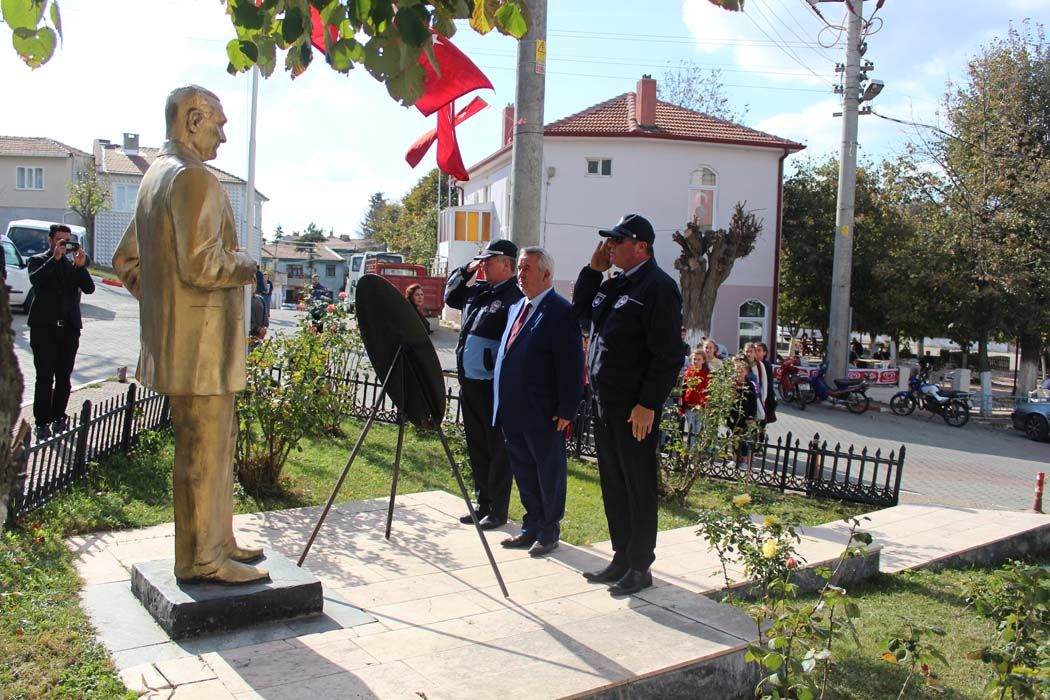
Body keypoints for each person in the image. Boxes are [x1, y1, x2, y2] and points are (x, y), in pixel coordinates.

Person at [113, 85, 268, 584]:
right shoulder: (194, 178)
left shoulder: (154, 178)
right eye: (218, 124)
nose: (223, 135)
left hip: (178, 348)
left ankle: (216, 541)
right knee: (206, 449)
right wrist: (246, 265)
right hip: (203, 352)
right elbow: (203, 263)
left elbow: (126, 262)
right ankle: (204, 558)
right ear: (193, 120)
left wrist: (166, 307)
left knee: (207, 447)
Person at [571, 213, 684, 596]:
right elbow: (580, 312)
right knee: (613, 483)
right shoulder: (616, 283)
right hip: (604, 403)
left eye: (618, 241)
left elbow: (668, 354)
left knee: (637, 484)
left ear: (642, 246)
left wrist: (648, 403)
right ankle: (621, 556)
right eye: (609, 241)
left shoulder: (658, 287)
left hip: (635, 408)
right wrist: (592, 270)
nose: (611, 247)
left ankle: (640, 565)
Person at [493, 247, 582, 557]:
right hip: (514, 410)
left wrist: (567, 408)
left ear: (546, 274)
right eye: (519, 267)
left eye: (527, 268)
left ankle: (548, 531)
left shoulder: (560, 311)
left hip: (544, 413)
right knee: (524, 471)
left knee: (548, 473)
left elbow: (572, 364)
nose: (521, 274)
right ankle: (530, 526)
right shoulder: (518, 306)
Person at [444, 239, 523, 529]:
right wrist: (466, 269)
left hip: (494, 387)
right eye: (483, 260)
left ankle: (498, 510)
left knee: (497, 450)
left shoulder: (515, 297)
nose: (484, 264)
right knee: (476, 445)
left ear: (506, 264)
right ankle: (483, 503)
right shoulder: (478, 291)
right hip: (470, 383)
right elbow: (450, 297)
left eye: (490, 260)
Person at [27, 224, 95, 441]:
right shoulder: (38, 260)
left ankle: (59, 417)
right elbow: (36, 280)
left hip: (68, 330)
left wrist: (81, 266)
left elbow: (89, 288)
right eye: (60, 240)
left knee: (64, 378)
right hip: (44, 329)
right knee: (45, 377)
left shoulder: (71, 267)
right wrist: (54, 258)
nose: (64, 245)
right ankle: (42, 422)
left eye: (67, 240)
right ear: (50, 240)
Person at [727, 356, 759, 467]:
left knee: (744, 439)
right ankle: (735, 459)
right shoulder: (732, 384)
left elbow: (753, 403)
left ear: (746, 372)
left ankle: (745, 460)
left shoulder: (749, 385)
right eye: (737, 369)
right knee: (734, 438)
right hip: (733, 416)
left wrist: (751, 416)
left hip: (745, 417)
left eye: (742, 370)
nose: (739, 372)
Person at [680, 345, 711, 443]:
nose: (696, 361)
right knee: (690, 430)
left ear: (703, 361)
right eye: (694, 359)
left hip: (701, 407)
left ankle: (695, 452)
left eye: (699, 359)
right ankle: (690, 451)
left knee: (698, 431)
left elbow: (709, 391)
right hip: (690, 406)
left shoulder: (707, 374)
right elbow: (684, 390)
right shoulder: (688, 373)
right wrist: (682, 406)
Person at [755, 342, 778, 427]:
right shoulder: (752, 364)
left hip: (765, 398)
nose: (756, 352)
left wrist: (763, 397)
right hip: (755, 396)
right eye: (755, 350)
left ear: (764, 353)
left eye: (759, 350)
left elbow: (768, 384)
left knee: (762, 422)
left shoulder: (766, 365)